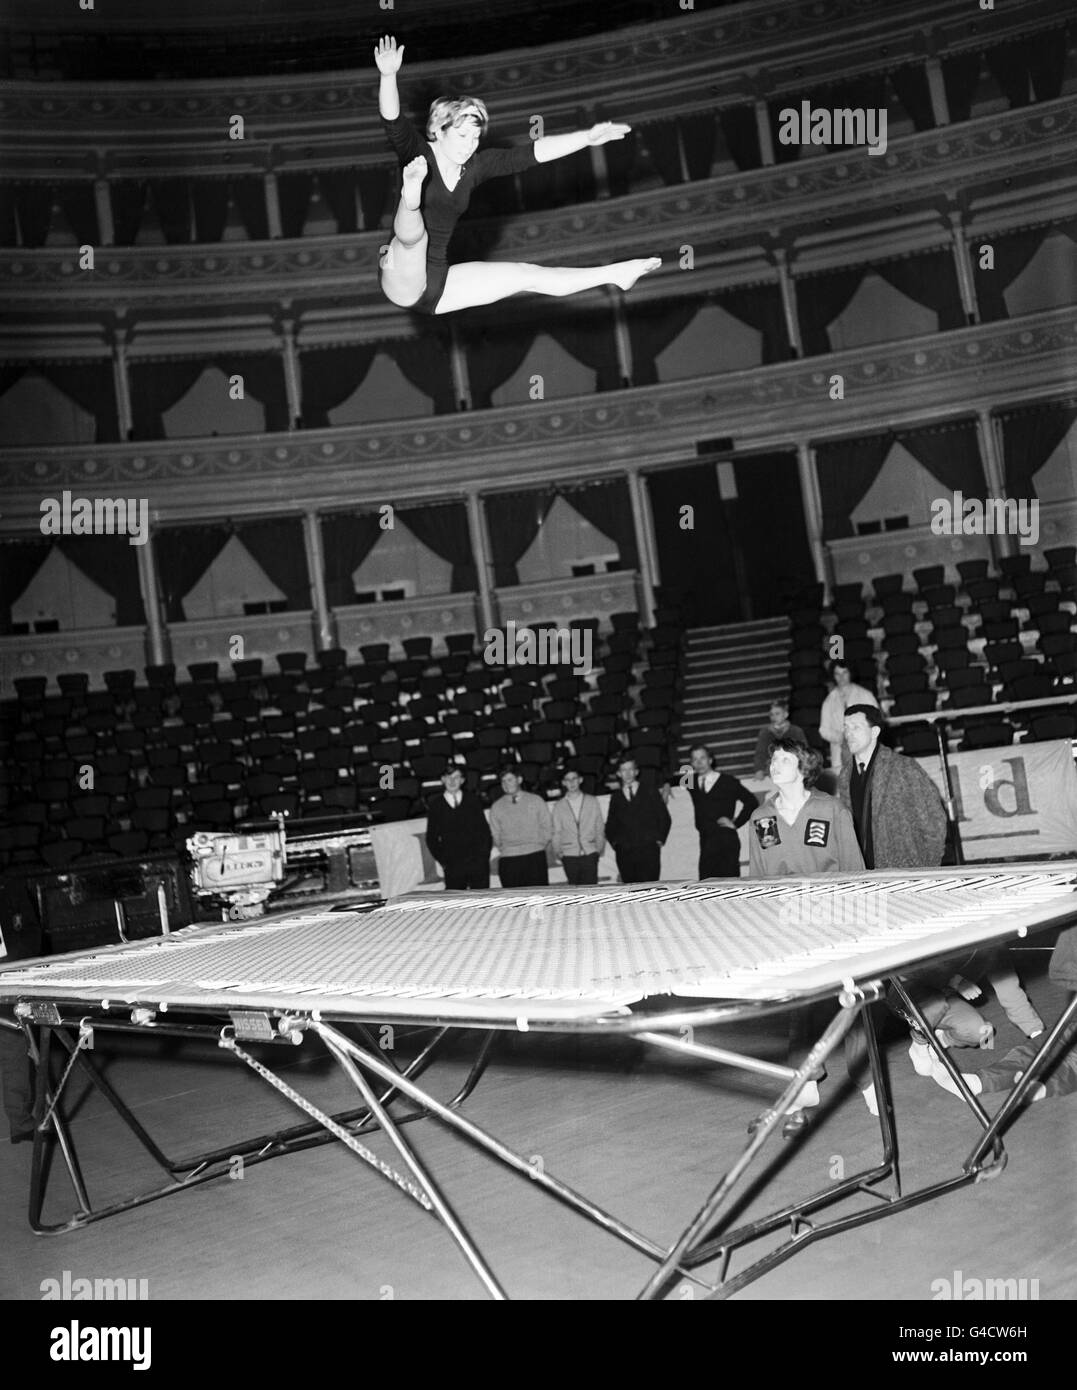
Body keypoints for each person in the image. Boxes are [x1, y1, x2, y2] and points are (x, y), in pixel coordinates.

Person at [374, 35, 661, 316]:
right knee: (414, 239)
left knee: (527, 274)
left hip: (439, 283)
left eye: (475, 137)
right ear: (438, 129)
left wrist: (586, 137)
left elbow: (531, 154)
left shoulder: (475, 167)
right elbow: (392, 120)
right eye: (462, 135)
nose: (470, 144)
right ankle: (409, 195)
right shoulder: (418, 152)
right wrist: (388, 76)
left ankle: (616, 274)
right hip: (402, 274)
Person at [839, 704, 1002, 1081]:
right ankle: (900, 1035)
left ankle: (925, 1031)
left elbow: (934, 821)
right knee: (878, 964)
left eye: (855, 726)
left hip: (905, 881)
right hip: (868, 885)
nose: (848, 732)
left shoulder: (903, 769)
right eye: (844, 726)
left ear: (875, 731)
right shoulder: (847, 773)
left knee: (913, 958)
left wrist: (920, 871)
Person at [747, 739, 866, 1135]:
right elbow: (759, 880)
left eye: (783, 758)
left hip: (833, 919)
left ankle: (867, 1084)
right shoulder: (761, 817)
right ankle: (804, 1088)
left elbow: (854, 869)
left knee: (848, 1005)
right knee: (798, 1009)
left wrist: (858, 920)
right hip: (787, 925)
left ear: (803, 766)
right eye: (773, 759)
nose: (775, 763)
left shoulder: (831, 809)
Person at [926, 924, 1077, 1103]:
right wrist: (956, 981)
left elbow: (1009, 988)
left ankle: (978, 1083)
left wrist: (1035, 1032)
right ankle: (926, 1042)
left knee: (983, 1032)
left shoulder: (992, 941)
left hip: (950, 994)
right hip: (927, 991)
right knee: (1057, 1040)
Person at [685, 745, 757, 879]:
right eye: (694, 759)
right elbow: (675, 778)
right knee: (706, 887)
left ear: (711, 760)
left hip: (726, 838)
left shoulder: (728, 781)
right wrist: (666, 785)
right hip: (706, 840)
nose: (699, 763)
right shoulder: (691, 782)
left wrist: (736, 823)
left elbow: (752, 802)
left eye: (702, 758)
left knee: (730, 885)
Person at [424, 763, 492, 890]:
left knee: (482, 903)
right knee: (457, 903)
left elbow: (484, 832)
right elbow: (431, 838)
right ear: (442, 779)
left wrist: (483, 857)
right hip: (453, 866)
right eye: (448, 777)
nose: (452, 781)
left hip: (477, 864)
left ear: (462, 780)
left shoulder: (473, 800)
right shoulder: (435, 805)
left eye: (456, 777)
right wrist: (444, 862)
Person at [604, 756, 671, 884]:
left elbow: (664, 817)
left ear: (636, 771)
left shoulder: (650, 790)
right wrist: (616, 844)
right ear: (618, 774)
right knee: (632, 891)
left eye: (631, 769)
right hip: (625, 853)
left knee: (650, 889)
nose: (628, 773)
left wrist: (659, 840)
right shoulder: (616, 797)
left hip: (649, 850)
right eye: (624, 770)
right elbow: (610, 824)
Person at [489, 766, 553, 888]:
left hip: (535, 857)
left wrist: (538, 845)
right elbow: (495, 834)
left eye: (510, 780)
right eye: (503, 781)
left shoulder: (536, 800)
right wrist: (507, 848)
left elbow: (547, 826)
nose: (506, 784)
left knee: (539, 900)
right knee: (515, 903)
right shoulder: (496, 806)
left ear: (519, 780)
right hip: (509, 859)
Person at [819, 659, 878, 774]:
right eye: (837, 674)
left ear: (850, 673)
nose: (841, 677)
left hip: (865, 748)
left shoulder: (865, 695)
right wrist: (840, 737)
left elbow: (876, 720)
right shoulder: (829, 700)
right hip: (840, 753)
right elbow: (823, 730)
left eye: (844, 672)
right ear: (833, 676)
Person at [550, 766, 605, 885]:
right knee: (575, 891)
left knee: (592, 891)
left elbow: (599, 826)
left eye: (574, 778)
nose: (571, 782)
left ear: (580, 780)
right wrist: (558, 851)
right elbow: (556, 831)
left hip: (590, 853)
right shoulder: (558, 806)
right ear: (564, 783)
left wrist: (598, 849)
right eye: (567, 779)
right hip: (569, 855)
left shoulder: (592, 801)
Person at [752, 699, 807, 778]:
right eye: (771, 714)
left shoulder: (796, 731)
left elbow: (803, 751)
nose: (774, 717)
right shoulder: (765, 733)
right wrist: (759, 769)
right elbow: (760, 752)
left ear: (786, 714)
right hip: (773, 773)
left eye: (777, 714)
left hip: (794, 771)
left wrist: (804, 768)